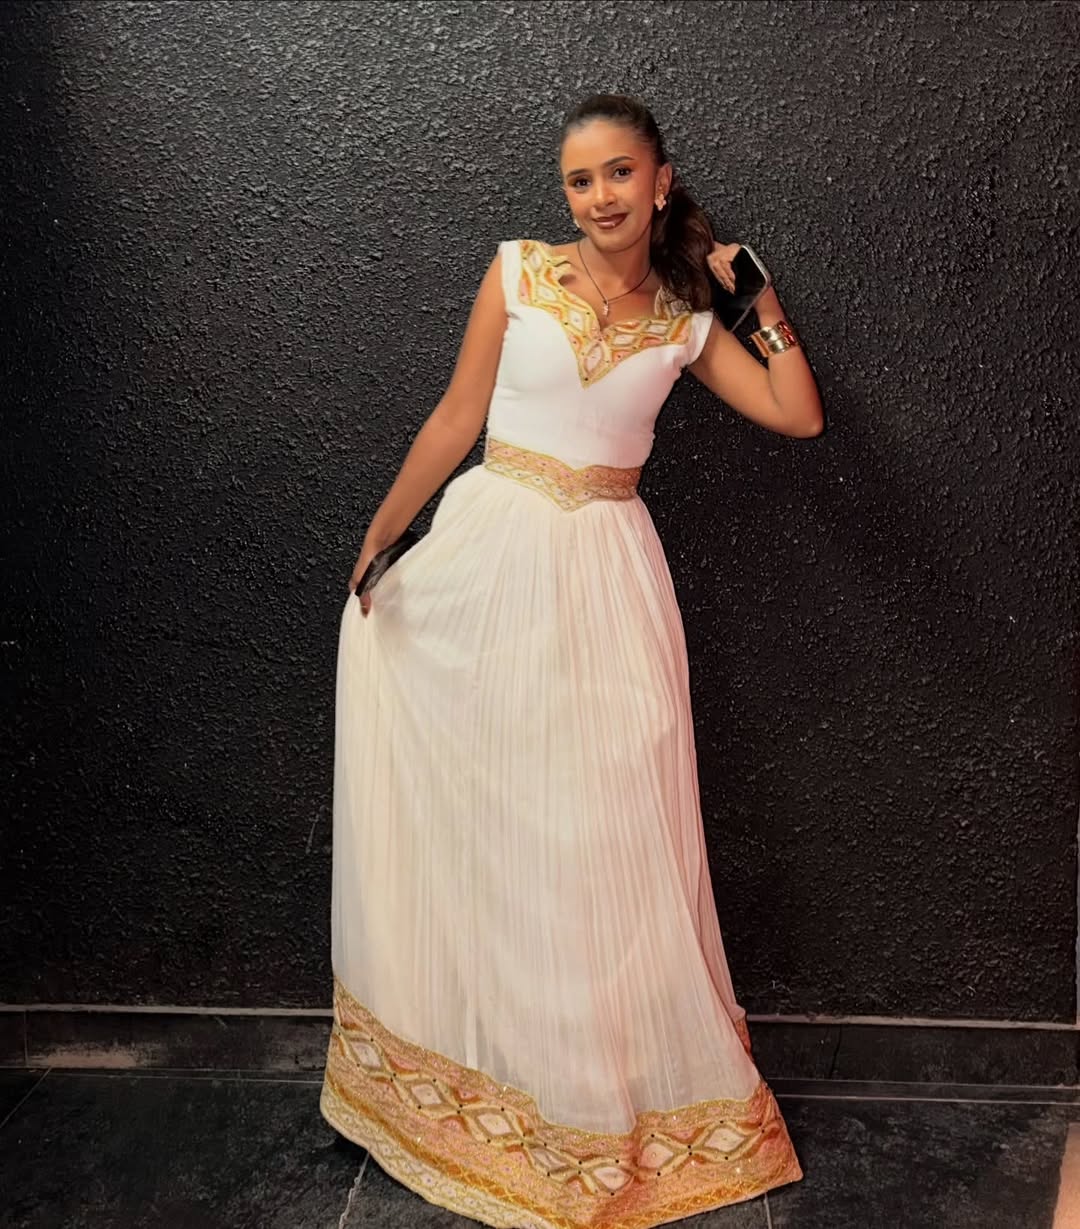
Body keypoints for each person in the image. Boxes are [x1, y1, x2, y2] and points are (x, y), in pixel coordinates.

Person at [319, 92, 823, 1229]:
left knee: (601, 832)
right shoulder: (515, 275)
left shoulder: (691, 318)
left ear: (659, 180)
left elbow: (797, 414)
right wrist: (383, 533)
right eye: (579, 180)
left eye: (616, 174)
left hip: (608, 577)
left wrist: (758, 300)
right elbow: (455, 419)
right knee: (503, 826)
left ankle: (594, 1101)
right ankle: (489, 1088)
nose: (597, 196)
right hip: (490, 561)